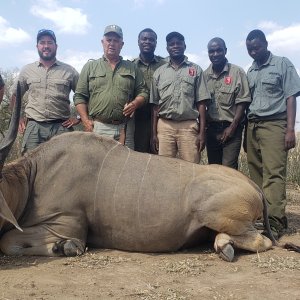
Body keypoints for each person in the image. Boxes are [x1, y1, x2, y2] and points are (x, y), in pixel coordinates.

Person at [245, 29, 300, 239]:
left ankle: (276, 221)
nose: (253, 51)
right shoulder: (251, 71)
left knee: (274, 174)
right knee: (256, 173)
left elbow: (291, 97)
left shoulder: (282, 64)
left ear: (266, 44)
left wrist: (289, 129)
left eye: (256, 47)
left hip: (274, 124)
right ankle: (261, 217)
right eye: (250, 48)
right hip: (253, 126)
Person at [74, 25, 148, 148]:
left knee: (124, 166)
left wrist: (135, 103)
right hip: (98, 128)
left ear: (122, 44)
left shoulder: (132, 67)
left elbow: (144, 92)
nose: (112, 44)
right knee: (97, 165)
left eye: (116, 40)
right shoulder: (90, 67)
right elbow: (79, 97)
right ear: (102, 42)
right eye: (109, 40)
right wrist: (85, 121)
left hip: (125, 128)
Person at [11, 29, 80, 154]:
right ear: (37, 46)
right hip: (34, 127)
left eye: (50, 43)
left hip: (62, 127)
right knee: (29, 169)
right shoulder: (27, 70)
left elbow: (83, 95)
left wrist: (79, 117)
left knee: (65, 169)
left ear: (56, 46)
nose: (46, 46)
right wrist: (18, 118)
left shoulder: (70, 71)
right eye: (42, 43)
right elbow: (15, 95)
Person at [150, 32, 210, 163]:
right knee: (164, 169)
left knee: (191, 169)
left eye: (179, 43)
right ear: (167, 48)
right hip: (165, 126)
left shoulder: (196, 70)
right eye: (172, 44)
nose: (175, 46)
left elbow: (201, 103)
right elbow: (155, 106)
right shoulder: (159, 72)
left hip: (188, 126)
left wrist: (202, 132)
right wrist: (154, 134)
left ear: (184, 46)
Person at [204, 37, 251, 169]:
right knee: (214, 169)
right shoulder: (204, 75)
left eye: (219, 50)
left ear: (225, 51)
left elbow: (243, 101)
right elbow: (201, 104)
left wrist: (232, 127)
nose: (215, 54)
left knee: (228, 169)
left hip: (232, 128)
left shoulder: (237, 72)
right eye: (211, 51)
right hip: (212, 129)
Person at [130, 28, 166, 153]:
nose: (147, 42)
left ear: (156, 43)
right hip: (138, 117)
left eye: (151, 39)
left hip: (161, 117)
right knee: (138, 155)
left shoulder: (165, 64)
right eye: (144, 39)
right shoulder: (130, 65)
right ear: (138, 42)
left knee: (159, 155)